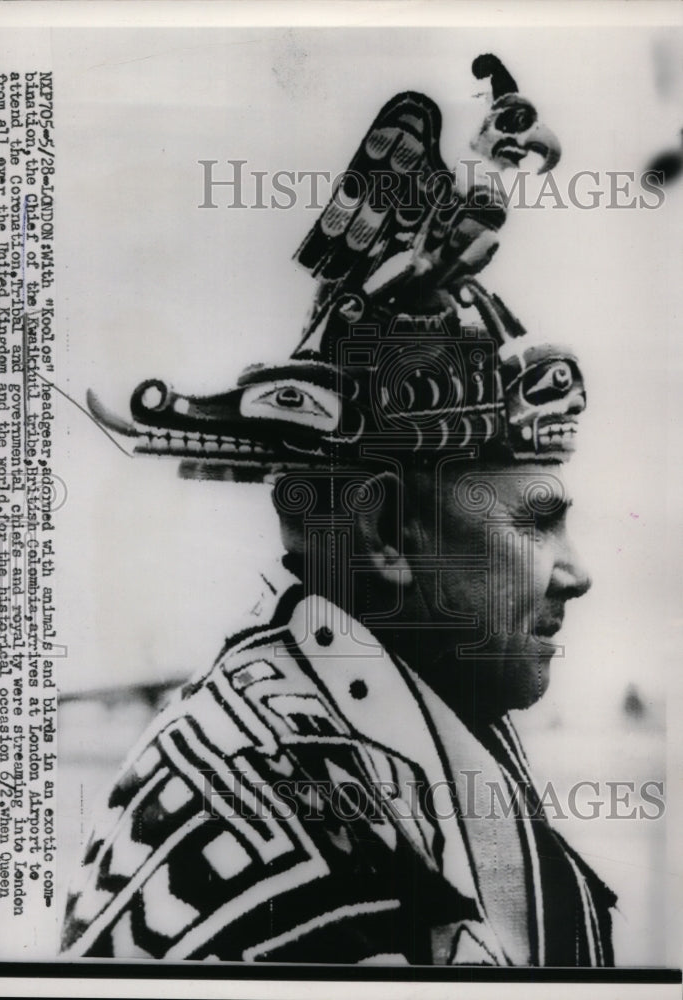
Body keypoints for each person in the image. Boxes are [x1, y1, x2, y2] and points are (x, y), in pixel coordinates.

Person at [63, 56, 615, 965]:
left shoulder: (413, 719)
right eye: (535, 521)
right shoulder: (276, 814)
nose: (578, 570)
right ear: (384, 534)